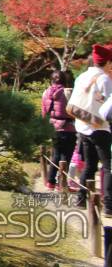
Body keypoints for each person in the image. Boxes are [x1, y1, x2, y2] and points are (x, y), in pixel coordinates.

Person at [74, 43, 112, 212]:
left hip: (83, 127)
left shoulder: (81, 77)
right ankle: (109, 206)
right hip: (100, 128)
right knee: (108, 166)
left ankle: (81, 198)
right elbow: (109, 106)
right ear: (108, 62)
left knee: (90, 165)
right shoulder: (105, 79)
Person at [43, 70, 77, 190]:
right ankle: (61, 183)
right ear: (64, 80)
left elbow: (44, 112)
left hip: (53, 127)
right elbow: (73, 111)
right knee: (66, 156)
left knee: (56, 154)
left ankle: (50, 182)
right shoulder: (67, 92)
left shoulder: (46, 92)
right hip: (68, 127)